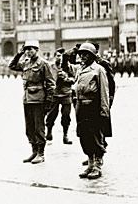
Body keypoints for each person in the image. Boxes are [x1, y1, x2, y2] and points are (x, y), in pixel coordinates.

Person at [9, 39, 55, 164]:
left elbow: (51, 84)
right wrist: (19, 54)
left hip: (39, 99)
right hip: (27, 99)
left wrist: (48, 102)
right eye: (26, 49)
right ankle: (34, 151)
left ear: (37, 50)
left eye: (31, 49)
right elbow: (12, 66)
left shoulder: (44, 64)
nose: (28, 52)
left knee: (39, 127)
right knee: (29, 128)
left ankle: (41, 153)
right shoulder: (26, 63)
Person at [75, 42, 110, 179]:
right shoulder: (80, 69)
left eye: (85, 54)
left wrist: (104, 110)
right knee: (84, 137)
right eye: (81, 54)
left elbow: (104, 91)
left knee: (96, 137)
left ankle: (97, 166)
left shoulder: (99, 69)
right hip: (81, 106)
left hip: (93, 107)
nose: (82, 57)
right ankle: (90, 164)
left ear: (92, 56)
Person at [46, 47, 75, 145]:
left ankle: (65, 135)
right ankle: (49, 131)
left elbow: (74, 79)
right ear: (54, 57)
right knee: (51, 115)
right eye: (58, 55)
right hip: (54, 94)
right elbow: (47, 79)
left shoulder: (69, 67)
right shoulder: (50, 67)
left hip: (66, 94)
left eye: (62, 55)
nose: (60, 58)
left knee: (66, 116)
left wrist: (66, 78)